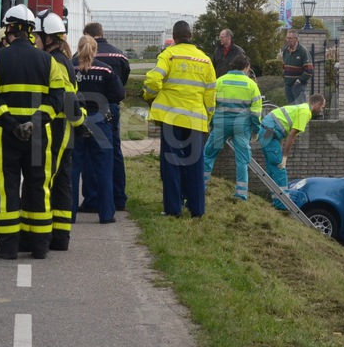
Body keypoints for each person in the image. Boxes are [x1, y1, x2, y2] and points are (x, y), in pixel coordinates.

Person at [0, 4, 65, 260]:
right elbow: (58, 98)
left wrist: (12, 125)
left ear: (9, 29)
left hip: (6, 136)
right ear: (30, 30)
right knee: (38, 187)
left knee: (7, 189)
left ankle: (8, 247)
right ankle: (39, 246)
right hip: (38, 137)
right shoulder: (48, 60)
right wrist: (35, 123)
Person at [143, 20, 216, 218]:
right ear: (190, 35)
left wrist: (149, 96)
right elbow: (210, 95)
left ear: (174, 37)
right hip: (196, 120)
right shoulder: (205, 60)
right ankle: (197, 209)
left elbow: (153, 80)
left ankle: (173, 209)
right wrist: (207, 117)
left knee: (172, 163)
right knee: (195, 165)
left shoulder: (169, 55)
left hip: (172, 118)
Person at [35, 10, 85, 250]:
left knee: (47, 181)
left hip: (57, 128)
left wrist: (79, 123)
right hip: (64, 128)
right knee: (62, 181)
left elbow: (66, 98)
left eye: (37, 35)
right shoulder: (62, 58)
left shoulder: (54, 61)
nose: (34, 40)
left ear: (48, 38)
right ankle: (60, 236)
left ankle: (44, 237)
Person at [72, 35, 125, 225]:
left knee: (73, 169)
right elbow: (119, 94)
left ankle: (68, 214)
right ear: (95, 50)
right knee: (104, 169)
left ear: (78, 48)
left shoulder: (70, 67)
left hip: (76, 122)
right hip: (100, 122)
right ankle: (106, 214)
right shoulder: (105, 70)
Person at [81, 22, 130, 213]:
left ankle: (92, 198)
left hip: (89, 109)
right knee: (113, 153)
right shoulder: (119, 55)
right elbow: (122, 82)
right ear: (102, 34)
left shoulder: (81, 57)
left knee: (89, 154)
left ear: (88, 36)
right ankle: (118, 198)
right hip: (111, 107)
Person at [203, 54, 262, 201]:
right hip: (241, 126)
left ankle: (201, 186)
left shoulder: (219, 82)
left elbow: (210, 105)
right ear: (246, 67)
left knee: (209, 155)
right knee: (242, 160)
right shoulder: (251, 85)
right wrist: (255, 131)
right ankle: (241, 193)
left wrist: (210, 123)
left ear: (232, 66)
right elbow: (255, 113)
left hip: (221, 124)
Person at [258, 94, 325, 209]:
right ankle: (283, 204)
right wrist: (285, 157)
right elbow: (292, 135)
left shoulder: (302, 107)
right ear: (318, 104)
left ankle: (277, 201)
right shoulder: (305, 112)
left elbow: (283, 132)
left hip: (267, 131)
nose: (322, 110)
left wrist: (280, 148)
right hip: (269, 132)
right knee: (280, 168)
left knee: (272, 168)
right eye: (322, 107)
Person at [282, 29, 313, 104]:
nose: (287, 40)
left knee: (300, 107)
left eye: (290, 38)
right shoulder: (286, 50)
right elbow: (284, 65)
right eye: (287, 38)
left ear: (296, 39)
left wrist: (299, 81)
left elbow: (309, 70)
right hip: (288, 85)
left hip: (298, 86)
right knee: (291, 109)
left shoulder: (303, 51)